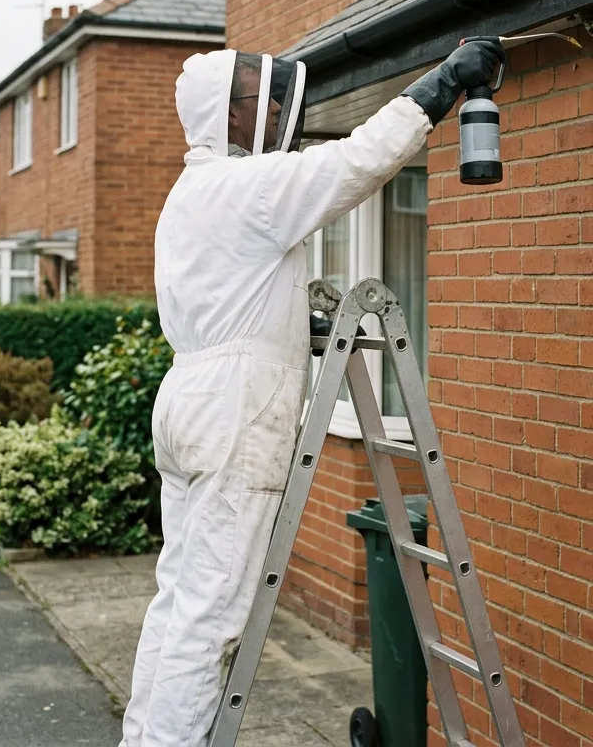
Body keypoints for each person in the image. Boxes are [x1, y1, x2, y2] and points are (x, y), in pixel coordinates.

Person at [121, 39, 506, 747]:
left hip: (189, 399)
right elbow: (352, 163)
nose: (272, 109)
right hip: (233, 407)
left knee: (178, 599)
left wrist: (298, 319)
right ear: (224, 116)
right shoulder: (246, 188)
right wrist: (443, 84)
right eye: (257, 99)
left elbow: (234, 294)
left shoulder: (193, 193)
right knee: (208, 617)